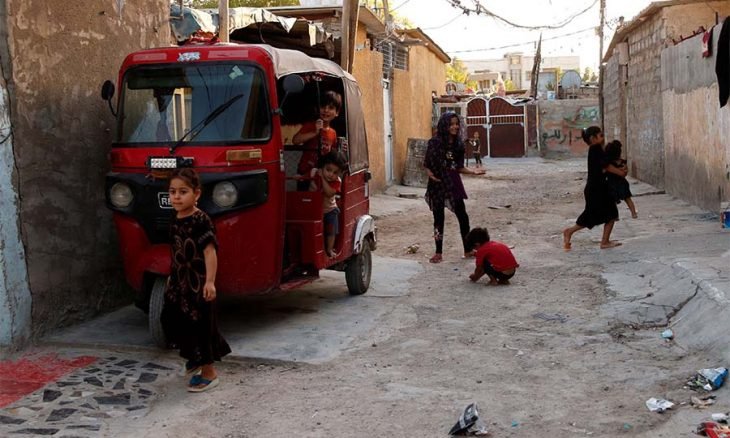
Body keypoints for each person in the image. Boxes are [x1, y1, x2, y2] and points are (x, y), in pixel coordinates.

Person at [162, 168, 231, 393]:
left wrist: (210, 282)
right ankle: (193, 357)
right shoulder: (175, 218)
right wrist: (172, 276)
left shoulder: (201, 220)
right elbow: (176, 249)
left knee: (201, 326)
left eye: (183, 192)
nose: (176, 197)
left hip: (198, 284)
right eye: (172, 192)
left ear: (196, 194)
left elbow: (210, 252)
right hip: (180, 282)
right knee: (174, 318)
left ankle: (209, 373)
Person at [424, 112, 486, 263]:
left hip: (453, 182)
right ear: (444, 125)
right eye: (451, 124)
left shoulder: (459, 144)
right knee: (438, 218)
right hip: (438, 184)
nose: (455, 127)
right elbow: (427, 163)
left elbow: (459, 167)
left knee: (463, 216)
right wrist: (429, 173)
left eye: (457, 124)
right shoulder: (435, 142)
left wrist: (473, 172)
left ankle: (467, 249)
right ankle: (438, 252)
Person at [562, 126, 627, 250]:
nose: (603, 138)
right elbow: (606, 166)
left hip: (597, 188)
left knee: (597, 215)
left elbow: (605, 166)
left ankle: (571, 232)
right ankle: (603, 242)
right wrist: (620, 173)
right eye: (601, 135)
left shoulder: (596, 150)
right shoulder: (595, 149)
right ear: (593, 138)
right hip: (597, 189)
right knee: (609, 214)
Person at [293, 91, 342, 191]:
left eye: (331, 108)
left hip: (323, 174)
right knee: (304, 197)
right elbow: (296, 140)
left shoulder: (333, 133)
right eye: (323, 106)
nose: (326, 110)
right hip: (305, 170)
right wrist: (314, 133)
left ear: (337, 112)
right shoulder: (310, 126)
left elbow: (332, 155)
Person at [310, 151, 346, 258]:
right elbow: (306, 177)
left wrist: (322, 178)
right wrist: (300, 176)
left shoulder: (337, 181)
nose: (331, 174)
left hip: (330, 210)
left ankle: (329, 249)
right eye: (328, 170)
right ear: (322, 167)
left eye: (335, 173)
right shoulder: (314, 172)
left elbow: (329, 193)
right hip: (314, 208)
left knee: (331, 231)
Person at [605, 140, 638, 219]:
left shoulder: (609, 163)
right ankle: (633, 213)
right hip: (622, 183)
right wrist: (623, 170)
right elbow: (625, 171)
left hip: (612, 184)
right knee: (628, 199)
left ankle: (615, 216)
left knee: (612, 201)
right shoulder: (622, 162)